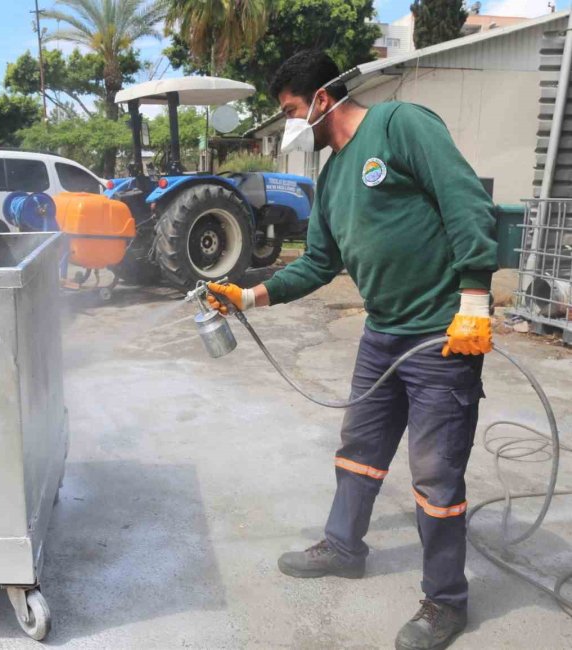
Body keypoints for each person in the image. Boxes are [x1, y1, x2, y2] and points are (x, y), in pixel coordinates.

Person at [207, 50, 496, 650]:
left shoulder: (401, 125)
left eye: (289, 110)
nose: (288, 124)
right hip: (384, 333)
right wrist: (249, 294)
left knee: (437, 476)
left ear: (321, 99)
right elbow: (317, 263)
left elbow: (464, 198)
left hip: (442, 333)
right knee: (359, 450)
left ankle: (445, 602)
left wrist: (474, 297)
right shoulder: (333, 176)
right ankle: (343, 547)